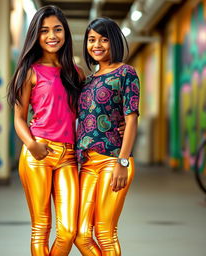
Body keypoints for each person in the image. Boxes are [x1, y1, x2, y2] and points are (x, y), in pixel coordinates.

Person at [7, 5, 85, 256]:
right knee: (41, 227)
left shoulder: (77, 73)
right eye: (44, 31)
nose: (52, 36)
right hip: (38, 153)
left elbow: (88, 113)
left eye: (57, 29)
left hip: (69, 157)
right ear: (36, 36)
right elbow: (19, 118)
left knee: (68, 231)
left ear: (65, 33)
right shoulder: (29, 71)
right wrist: (31, 145)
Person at [75, 17, 140, 256]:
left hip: (114, 160)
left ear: (114, 41)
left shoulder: (126, 72)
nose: (97, 44)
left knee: (104, 231)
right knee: (81, 234)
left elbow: (132, 118)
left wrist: (123, 162)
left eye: (103, 39)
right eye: (91, 39)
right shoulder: (88, 80)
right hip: (87, 164)